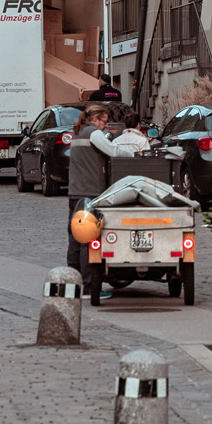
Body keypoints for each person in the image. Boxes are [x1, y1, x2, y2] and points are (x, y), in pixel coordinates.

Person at [65, 105, 144, 300]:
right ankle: (89, 286)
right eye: (105, 121)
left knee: (76, 236)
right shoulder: (93, 134)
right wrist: (134, 155)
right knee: (88, 239)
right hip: (89, 191)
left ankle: (74, 281)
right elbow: (113, 151)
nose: (106, 126)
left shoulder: (78, 134)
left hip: (75, 191)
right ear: (95, 120)